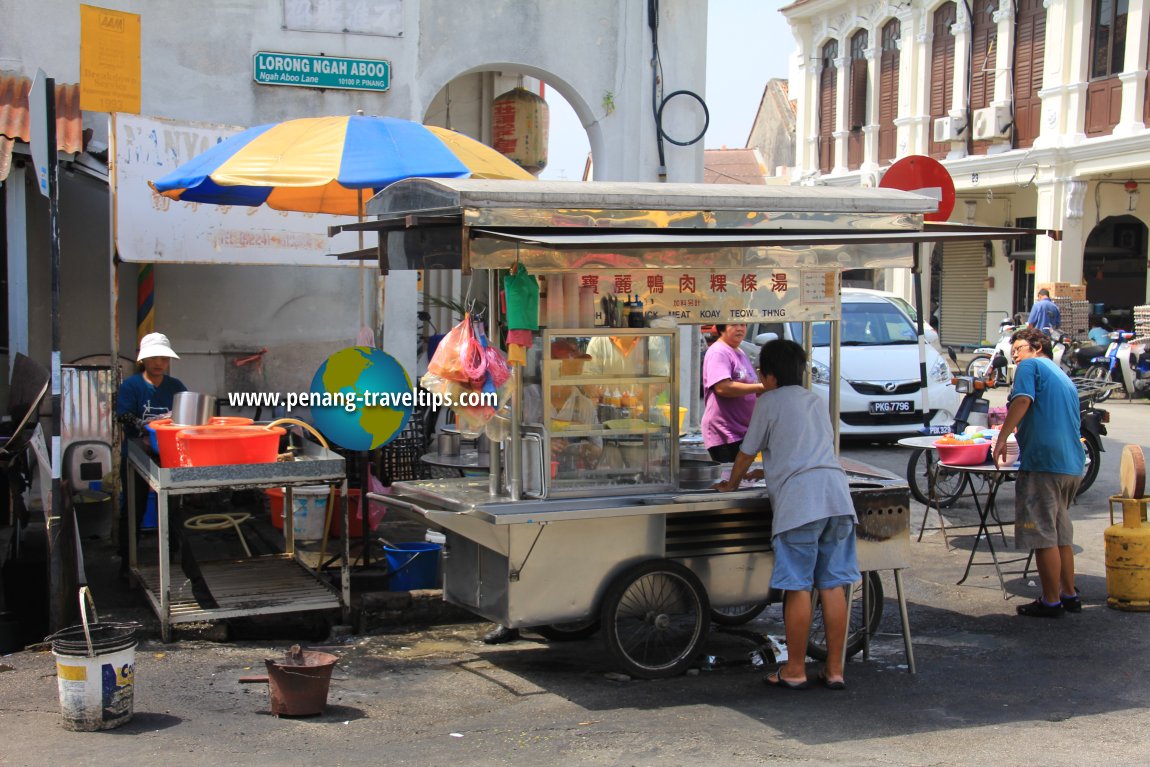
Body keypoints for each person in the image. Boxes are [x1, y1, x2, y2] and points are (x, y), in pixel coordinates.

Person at [714, 339, 859, 690]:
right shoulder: (815, 400)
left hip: (801, 505)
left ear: (770, 375)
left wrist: (733, 482)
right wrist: (770, 471)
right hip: (836, 498)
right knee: (833, 585)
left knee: (797, 586)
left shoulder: (768, 401)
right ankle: (835, 669)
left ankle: (794, 669)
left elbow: (747, 451)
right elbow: (808, 451)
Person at [992, 327, 1084, 618]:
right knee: (1060, 534)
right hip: (1071, 464)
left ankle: (1050, 601)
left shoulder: (1030, 366)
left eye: (1019, 347)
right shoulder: (1060, 374)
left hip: (1044, 463)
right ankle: (1069, 595)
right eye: (1014, 350)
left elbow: (1022, 401)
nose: (1015, 354)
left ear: (1037, 348)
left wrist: (1003, 437)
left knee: (1043, 535)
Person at [116, 332, 187, 574]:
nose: (159, 363)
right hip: (136, 453)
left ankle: (172, 558)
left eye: (164, 359)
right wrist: (146, 425)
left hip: (168, 454)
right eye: (154, 358)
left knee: (171, 507)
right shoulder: (131, 386)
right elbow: (123, 415)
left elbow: (186, 414)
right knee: (132, 507)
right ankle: (127, 561)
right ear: (143, 360)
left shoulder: (176, 387)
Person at [701, 324, 765, 462]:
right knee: (732, 478)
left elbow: (747, 386)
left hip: (741, 431)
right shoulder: (719, 352)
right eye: (734, 324)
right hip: (725, 432)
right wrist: (759, 388)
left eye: (743, 324)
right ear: (722, 327)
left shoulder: (738, 350)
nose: (740, 328)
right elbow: (722, 387)